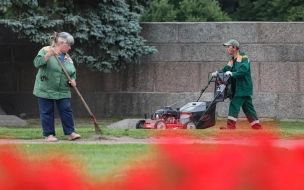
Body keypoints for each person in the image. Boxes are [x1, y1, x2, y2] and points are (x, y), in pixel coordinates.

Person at [33, 32, 81, 142]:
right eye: (68, 45)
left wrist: (73, 80)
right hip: (46, 87)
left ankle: (71, 133)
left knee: (66, 109)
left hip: (63, 89)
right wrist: (48, 55)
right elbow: (37, 63)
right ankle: (49, 135)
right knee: (47, 111)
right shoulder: (45, 50)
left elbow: (72, 72)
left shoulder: (67, 57)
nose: (69, 48)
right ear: (62, 43)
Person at [211, 39, 262, 130]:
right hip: (240, 88)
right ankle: (257, 126)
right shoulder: (232, 60)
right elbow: (226, 68)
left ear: (234, 48)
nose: (227, 48)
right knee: (248, 108)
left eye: (228, 46)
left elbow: (243, 70)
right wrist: (218, 73)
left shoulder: (243, 58)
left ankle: (231, 126)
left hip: (242, 87)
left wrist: (232, 74)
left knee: (234, 104)